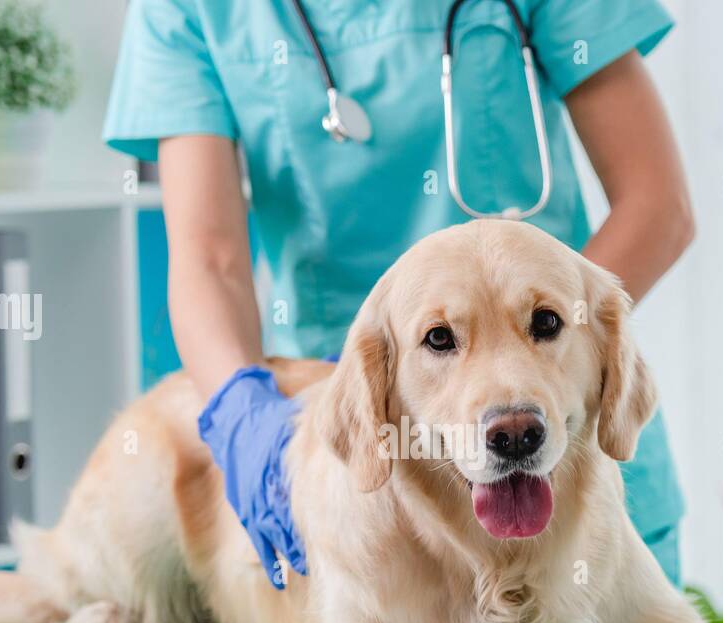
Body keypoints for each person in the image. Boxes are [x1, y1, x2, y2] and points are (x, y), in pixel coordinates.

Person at [103, 0, 692, 589]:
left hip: (561, 455)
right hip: (358, 441)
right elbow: (209, 259)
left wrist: (556, 332)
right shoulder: (186, 10)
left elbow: (658, 208)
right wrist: (241, 413)